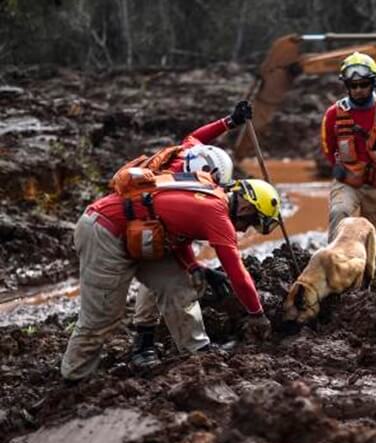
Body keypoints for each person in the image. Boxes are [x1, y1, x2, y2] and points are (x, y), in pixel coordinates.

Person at [60, 168, 280, 383]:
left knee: (177, 285)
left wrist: (194, 267)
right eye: (251, 221)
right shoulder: (216, 214)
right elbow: (236, 272)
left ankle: (197, 352)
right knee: (103, 315)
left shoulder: (209, 193)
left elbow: (178, 233)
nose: (245, 229)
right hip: (104, 231)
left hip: (142, 233)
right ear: (246, 207)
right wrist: (256, 313)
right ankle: (75, 377)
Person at [129, 102, 249, 369]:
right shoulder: (175, 180)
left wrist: (230, 121)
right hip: (137, 222)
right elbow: (175, 243)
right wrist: (194, 266)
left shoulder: (190, 156)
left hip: (151, 220)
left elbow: (195, 136)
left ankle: (164, 340)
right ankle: (144, 343)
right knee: (160, 267)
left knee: (172, 268)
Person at [320, 52, 376, 244]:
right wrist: (340, 167)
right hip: (347, 180)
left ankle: (370, 262)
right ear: (347, 86)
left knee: (374, 232)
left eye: (364, 84)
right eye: (353, 86)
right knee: (339, 211)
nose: (358, 90)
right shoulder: (334, 114)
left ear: (373, 83)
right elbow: (328, 147)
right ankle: (335, 256)